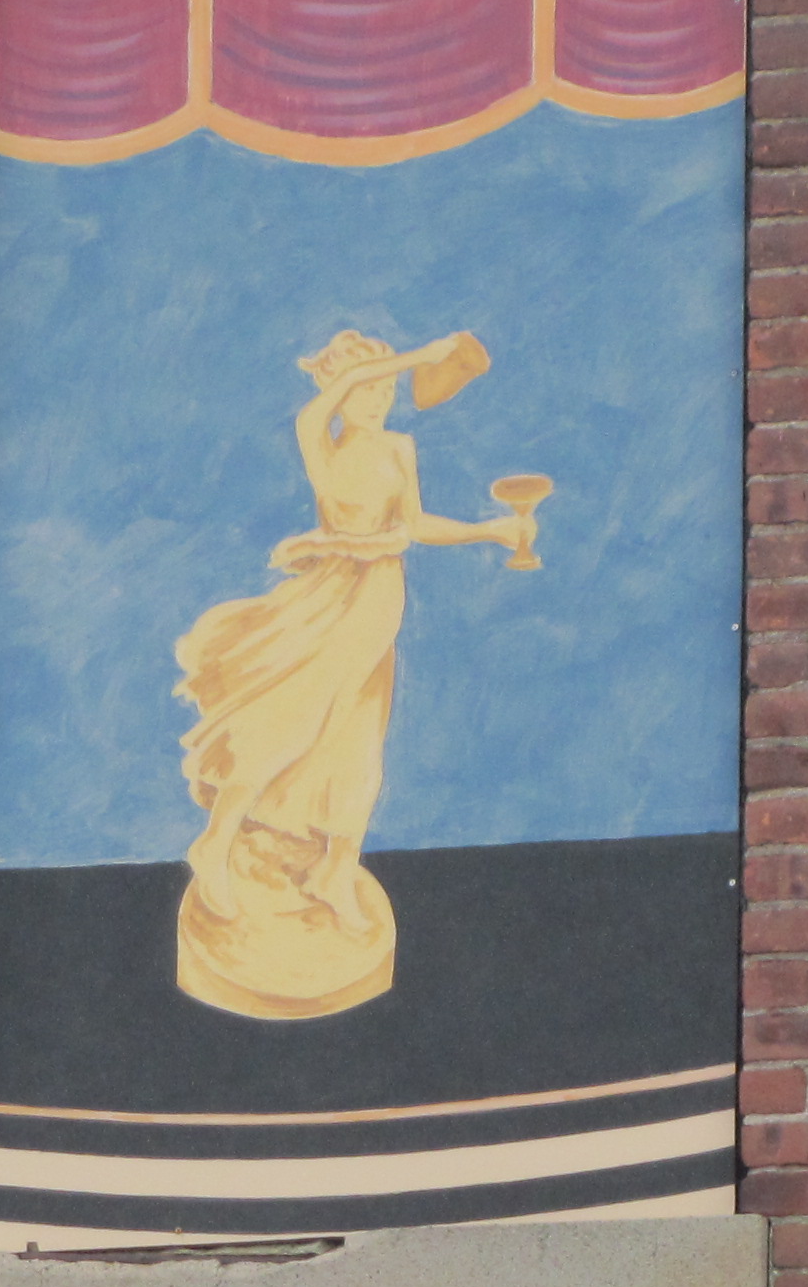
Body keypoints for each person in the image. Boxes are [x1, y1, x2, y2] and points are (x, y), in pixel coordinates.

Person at [171, 329, 535, 1017]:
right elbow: (339, 415)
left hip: (379, 601)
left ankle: (337, 869)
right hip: (331, 598)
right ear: (338, 392)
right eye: (364, 387)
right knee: (288, 726)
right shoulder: (319, 435)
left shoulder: (399, 448)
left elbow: (414, 526)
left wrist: (492, 530)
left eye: (385, 389)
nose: (375, 399)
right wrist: (417, 357)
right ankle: (214, 844)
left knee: (360, 742)